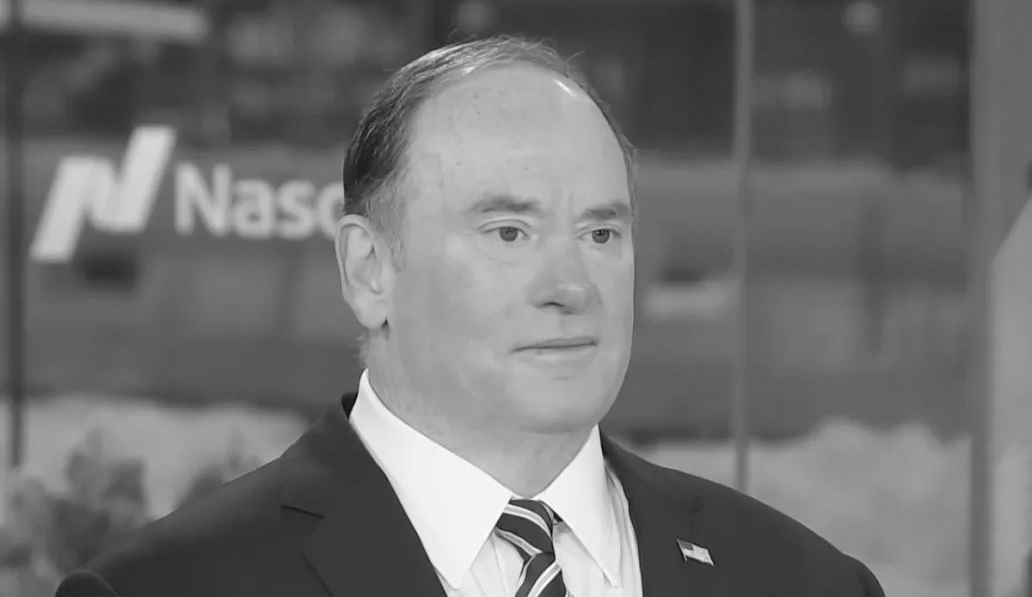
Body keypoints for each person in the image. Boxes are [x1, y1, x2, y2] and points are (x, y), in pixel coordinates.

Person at [55, 35, 885, 597]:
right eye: (509, 232)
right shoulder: (167, 588)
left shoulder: (805, 581)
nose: (572, 285)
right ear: (369, 270)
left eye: (601, 233)